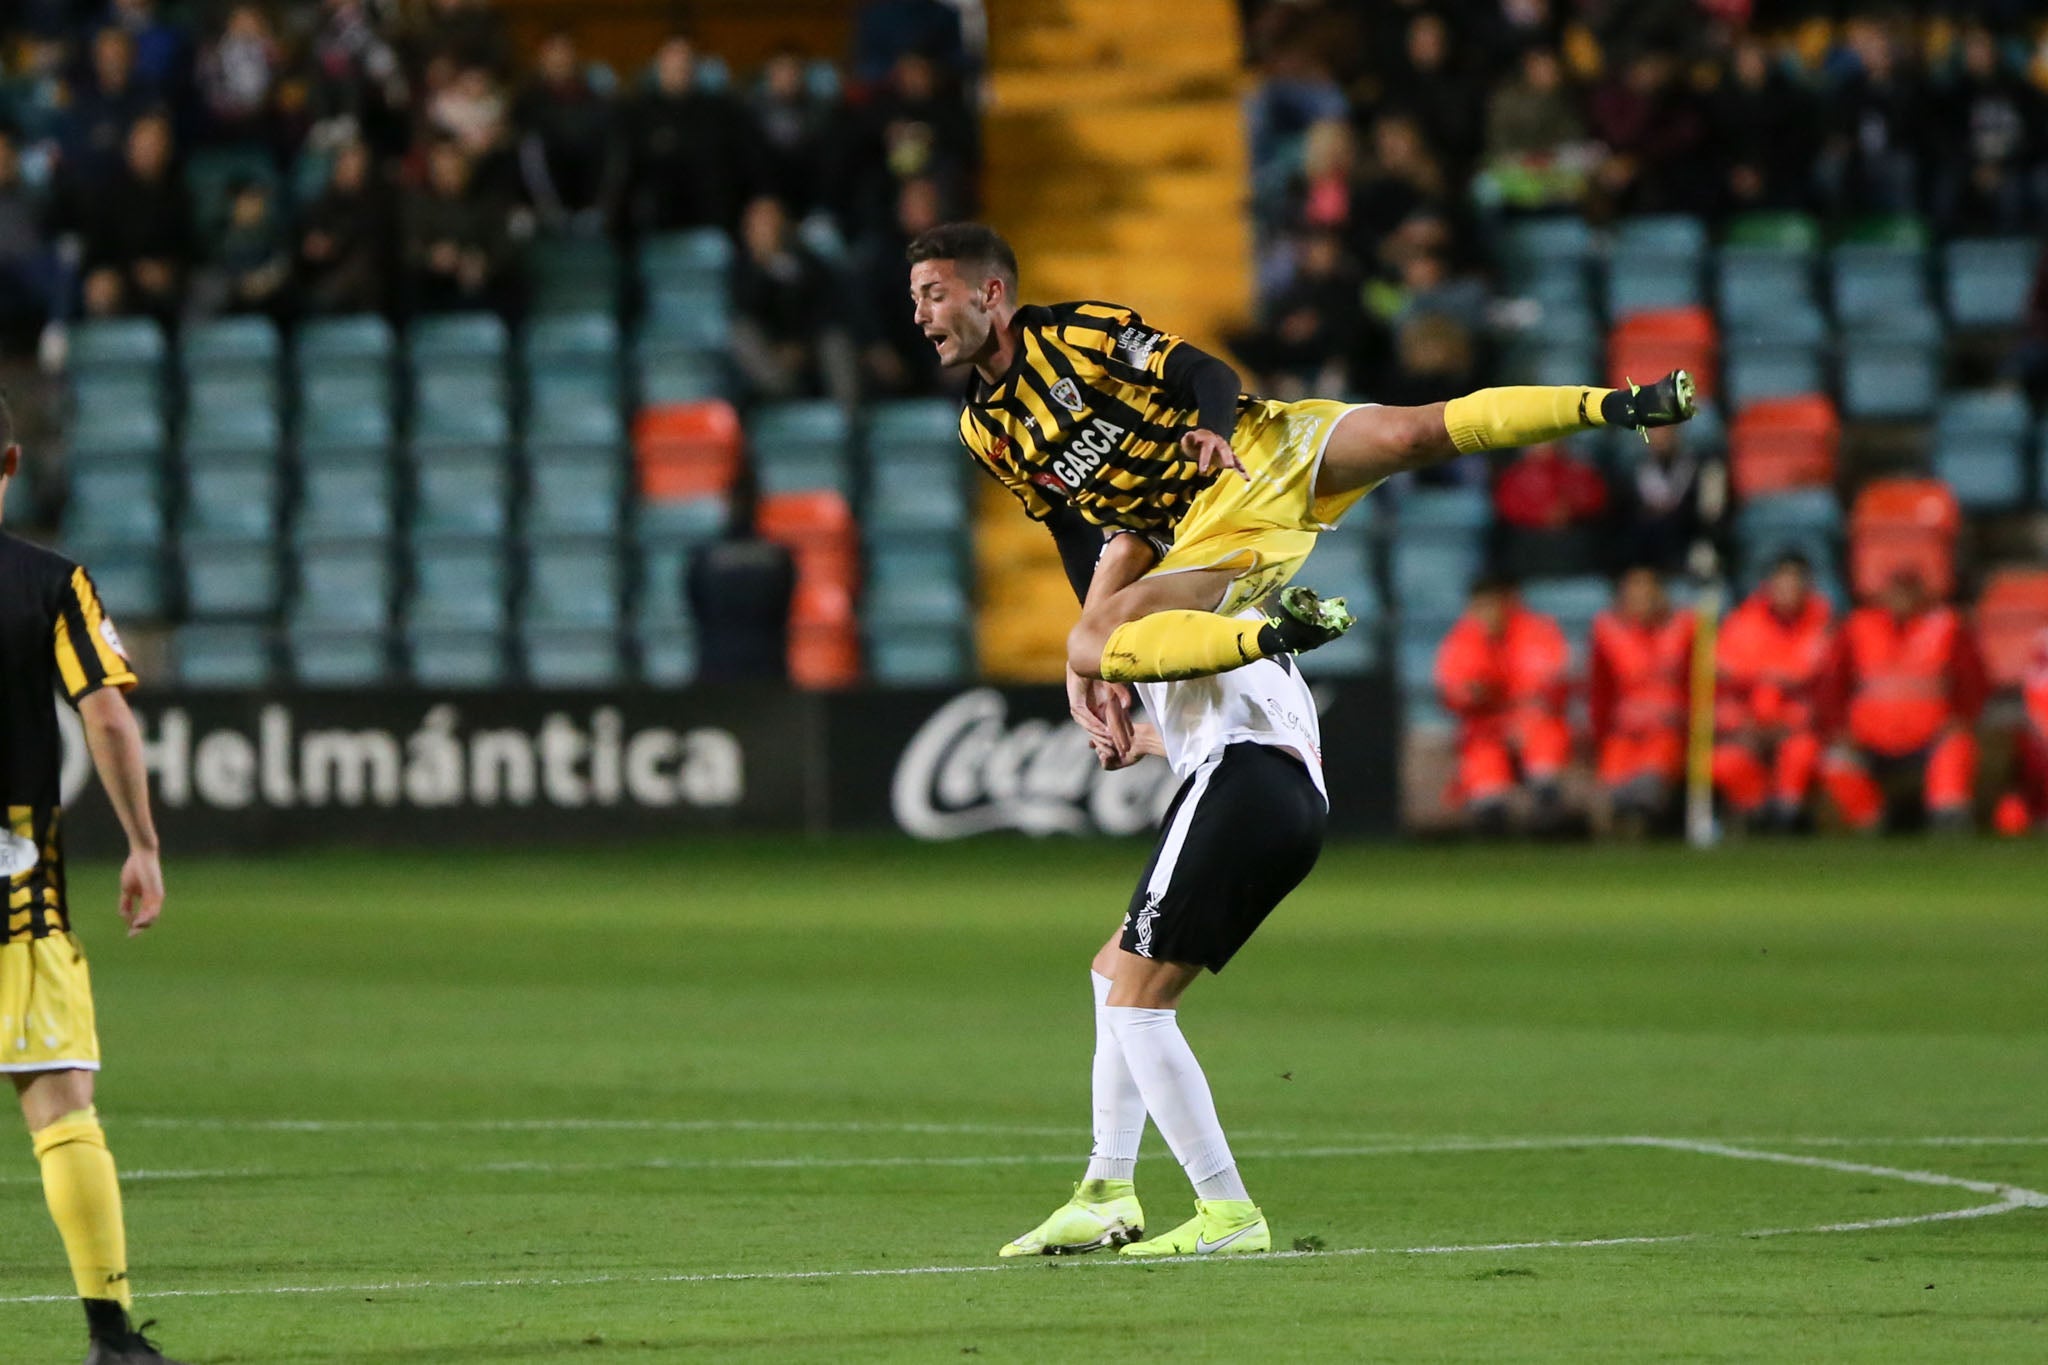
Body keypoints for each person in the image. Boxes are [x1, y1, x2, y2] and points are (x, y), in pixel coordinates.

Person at [905, 221, 1696, 733]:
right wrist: (1110, 631)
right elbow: (1070, 526)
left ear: (992, 292)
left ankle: (1623, 405)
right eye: (916, 300)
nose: (921, 316)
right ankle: (1281, 633)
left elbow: (1203, 370)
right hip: (1200, 535)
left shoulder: (1078, 331)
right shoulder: (984, 430)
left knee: (1414, 429)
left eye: (934, 294)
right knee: (1085, 642)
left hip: (1259, 443)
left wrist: (1211, 429)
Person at [999, 534, 1328, 1260]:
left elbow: (1116, 562)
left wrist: (1082, 663)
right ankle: (1105, 1190)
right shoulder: (1226, 616)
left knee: (1139, 1005)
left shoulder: (1177, 571)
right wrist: (1145, 738)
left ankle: (1227, 1207)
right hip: (1285, 795)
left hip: (1240, 783)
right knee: (1112, 969)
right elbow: (1240, 721)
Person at [0, 399, 182, 1363]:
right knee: (58, 1099)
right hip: (14, 871)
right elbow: (106, 718)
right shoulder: (49, 583)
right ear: (13, 462)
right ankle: (110, 1334)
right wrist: (143, 842)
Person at [1820, 569, 1985, 833]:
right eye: (1896, 591)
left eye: (1908, 591)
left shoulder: (1947, 626)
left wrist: (1962, 718)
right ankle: (1870, 825)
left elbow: (1973, 680)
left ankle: (1949, 820)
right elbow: (1831, 685)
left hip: (1931, 735)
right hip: (1868, 738)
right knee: (1836, 760)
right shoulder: (1858, 627)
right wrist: (1839, 729)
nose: (1901, 599)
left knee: (1957, 745)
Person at [1435, 575, 1573, 833]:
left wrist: (1516, 716)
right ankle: (1490, 808)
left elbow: (1549, 685)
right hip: (1487, 729)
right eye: (1480, 607)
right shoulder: (1463, 639)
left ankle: (1547, 797)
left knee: (1544, 731)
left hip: (1530, 722)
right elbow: (1455, 693)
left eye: (1492, 605)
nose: (1487, 614)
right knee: (1482, 752)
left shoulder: (1536, 631)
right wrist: (1475, 695)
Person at [1712, 552, 1833, 832]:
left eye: (1794, 584)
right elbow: (1724, 683)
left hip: (1796, 730)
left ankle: (1786, 816)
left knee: (1802, 753)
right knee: (1723, 762)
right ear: (1767, 587)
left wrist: (1792, 720)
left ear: (1808, 587)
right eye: (1781, 584)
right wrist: (1739, 725)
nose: (1787, 592)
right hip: (1746, 728)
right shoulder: (1740, 625)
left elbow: (1819, 687)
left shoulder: (1823, 626)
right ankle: (1754, 815)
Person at [1589, 566, 1694, 832]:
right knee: (1610, 789)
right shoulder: (1609, 632)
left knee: (1650, 784)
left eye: (1648, 592)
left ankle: (1645, 823)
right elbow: (1600, 693)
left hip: (1666, 732)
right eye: (1634, 593)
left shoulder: (1684, 629)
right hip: (1623, 733)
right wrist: (1600, 735)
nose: (1642, 600)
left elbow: (1696, 686)